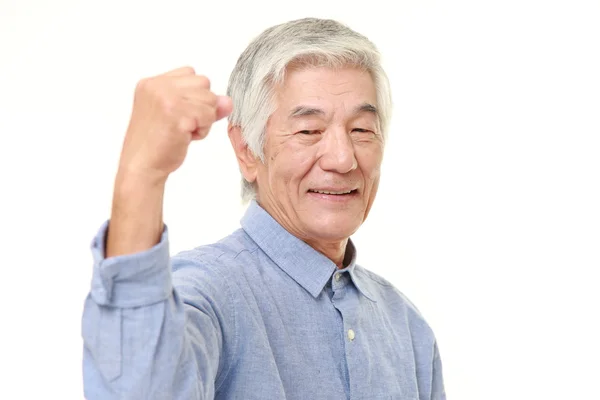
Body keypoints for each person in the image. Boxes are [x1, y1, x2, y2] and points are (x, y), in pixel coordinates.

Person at [81, 17, 446, 400]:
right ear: (246, 150)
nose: (342, 159)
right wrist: (141, 174)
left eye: (361, 130)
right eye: (309, 131)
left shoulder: (407, 327)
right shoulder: (207, 295)